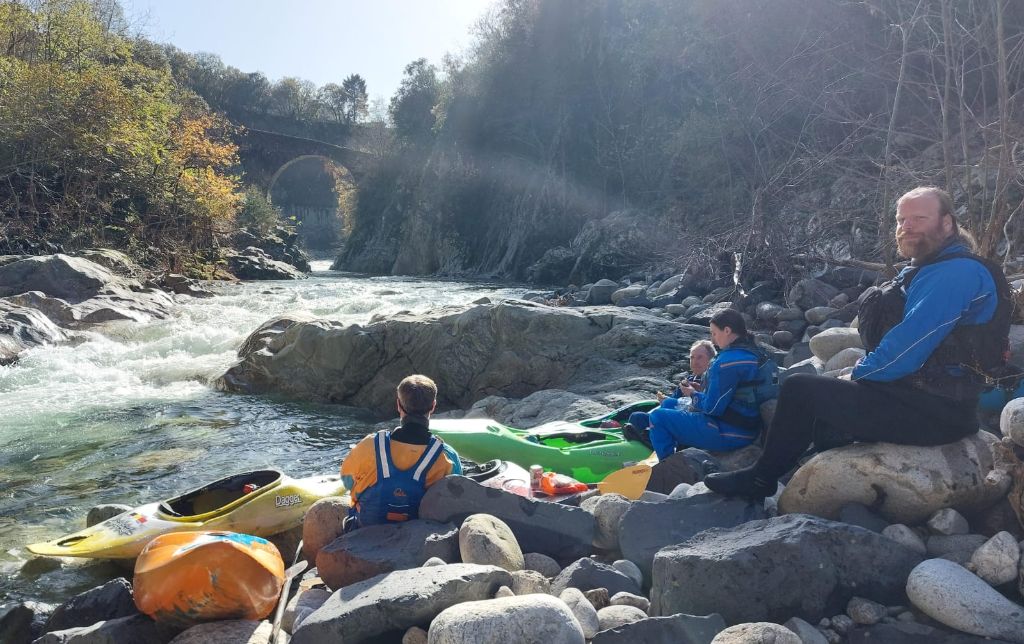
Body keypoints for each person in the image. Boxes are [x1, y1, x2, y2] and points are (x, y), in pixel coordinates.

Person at [705, 186, 1011, 500]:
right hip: (923, 399)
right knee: (827, 388)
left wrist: (858, 373)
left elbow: (908, 347)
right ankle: (811, 465)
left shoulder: (954, 274)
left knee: (800, 388)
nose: (906, 226)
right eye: (901, 220)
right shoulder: (935, 269)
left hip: (936, 414)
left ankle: (761, 480)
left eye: (919, 218)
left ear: (947, 224)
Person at [645, 309, 770, 460]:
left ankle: (667, 467)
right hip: (750, 427)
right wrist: (703, 391)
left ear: (727, 331)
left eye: (714, 333)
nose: (713, 339)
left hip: (731, 432)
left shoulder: (725, 363)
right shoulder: (756, 353)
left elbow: (712, 409)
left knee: (658, 417)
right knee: (670, 405)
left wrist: (693, 394)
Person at [340, 374, 462, 528]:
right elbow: (453, 498)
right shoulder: (447, 456)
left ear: (398, 405)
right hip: (418, 538)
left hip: (365, 530)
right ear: (433, 406)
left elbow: (347, 481)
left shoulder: (369, 445)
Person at [625, 340, 717, 435]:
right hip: (676, 416)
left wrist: (694, 393)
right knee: (637, 417)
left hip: (692, 423)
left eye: (700, 357)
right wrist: (665, 399)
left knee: (639, 418)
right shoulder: (689, 380)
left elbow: (709, 406)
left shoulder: (714, 381)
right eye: (692, 358)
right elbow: (674, 400)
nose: (694, 362)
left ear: (711, 360)